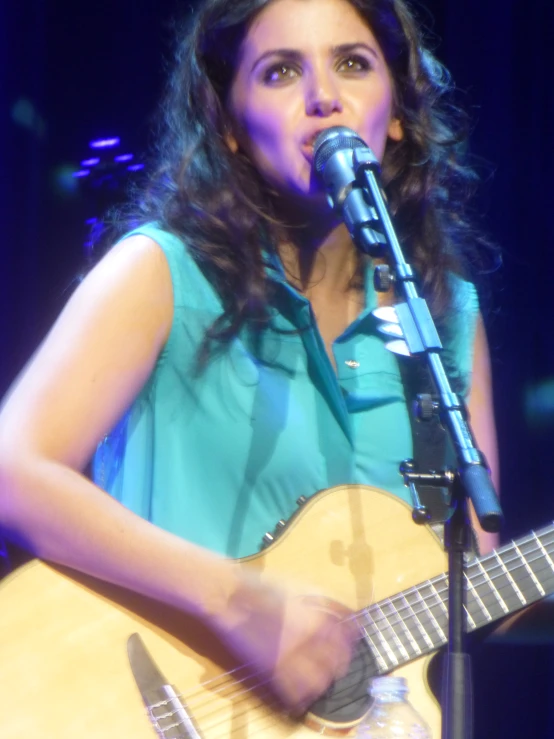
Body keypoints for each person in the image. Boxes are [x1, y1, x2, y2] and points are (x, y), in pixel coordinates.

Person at [0, 0, 499, 719]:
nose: (323, 94)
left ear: (395, 112)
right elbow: (15, 470)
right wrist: (238, 600)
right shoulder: (160, 273)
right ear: (230, 127)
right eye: (281, 71)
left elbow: (472, 577)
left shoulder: (445, 317)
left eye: (353, 64)